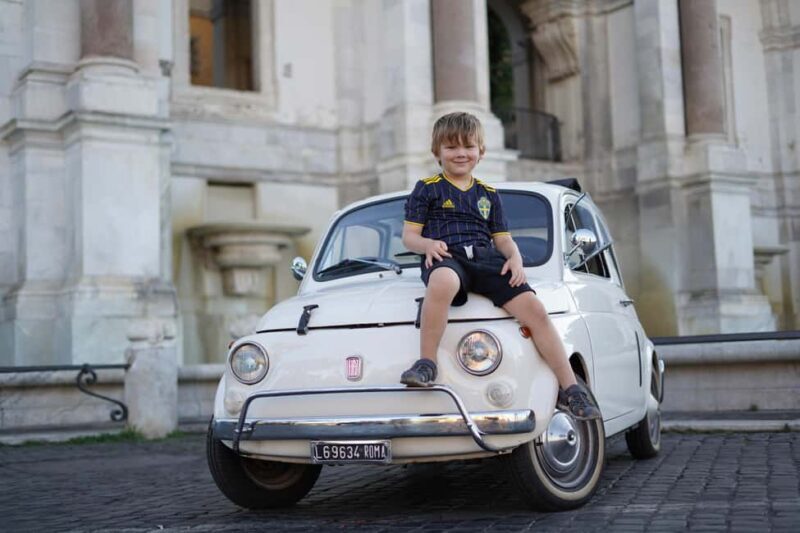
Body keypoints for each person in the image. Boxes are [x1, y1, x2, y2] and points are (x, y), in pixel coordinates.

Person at [398, 111, 600, 420]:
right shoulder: (427, 188)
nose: (460, 153)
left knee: (535, 310)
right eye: (451, 147)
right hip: (446, 256)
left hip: (487, 258)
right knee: (443, 283)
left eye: (468, 146)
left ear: (481, 152)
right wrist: (427, 245)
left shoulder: (489, 195)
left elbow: (502, 238)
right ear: (436, 152)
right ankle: (426, 364)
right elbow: (409, 237)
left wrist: (515, 257)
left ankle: (571, 389)